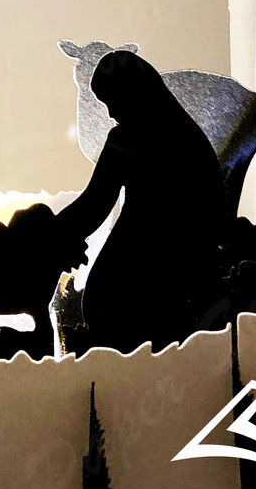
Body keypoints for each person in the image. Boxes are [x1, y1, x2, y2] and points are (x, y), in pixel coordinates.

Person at [57, 48, 227, 352]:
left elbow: (94, 205)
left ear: (130, 94)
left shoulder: (126, 141)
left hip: (139, 271)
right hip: (191, 275)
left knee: (107, 318)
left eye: (111, 101)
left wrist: (48, 232)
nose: (110, 114)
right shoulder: (191, 139)